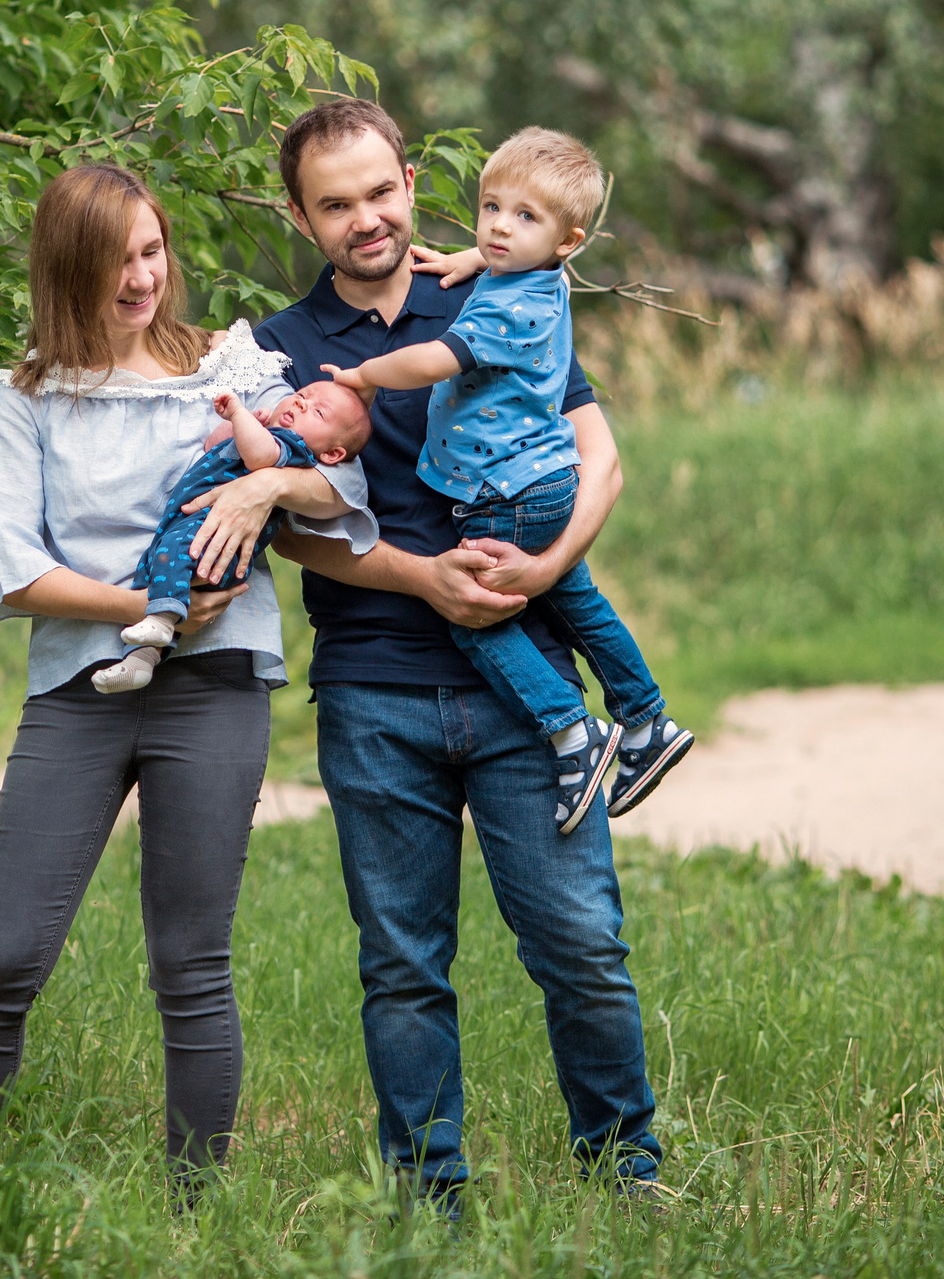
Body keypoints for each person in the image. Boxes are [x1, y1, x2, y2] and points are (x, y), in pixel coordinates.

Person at [254, 97, 670, 1209]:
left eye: (381, 191)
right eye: (334, 204)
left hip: (528, 690)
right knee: (402, 966)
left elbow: (600, 460)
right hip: (376, 690)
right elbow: (288, 528)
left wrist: (542, 573)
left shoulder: (496, 289)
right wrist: (422, 578)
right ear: (301, 216)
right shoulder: (279, 349)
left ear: (407, 180)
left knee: (579, 942)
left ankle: (624, 1170)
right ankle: (429, 1196)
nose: (366, 219)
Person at [0, 162, 376, 1187]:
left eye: (151, 250)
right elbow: (17, 570)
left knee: (190, 962)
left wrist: (266, 482)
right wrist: (145, 608)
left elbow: (339, 477)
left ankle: (195, 1206)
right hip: (77, 691)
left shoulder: (230, 362)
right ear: (65, 270)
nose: (141, 279)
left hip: (214, 684)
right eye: (113, 261)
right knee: (4, 955)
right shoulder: (26, 398)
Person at [320, 127, 690, 831]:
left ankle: (570, 730)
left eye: (524, 218)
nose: (497, 227)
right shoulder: (534, 277)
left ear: (568, 241)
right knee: (577, 600)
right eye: (490, 208)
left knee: (477, 616)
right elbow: (512, 252)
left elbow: (434, 359)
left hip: (503, 492)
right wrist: (474, 255)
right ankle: (647, 717)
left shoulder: (501, 308)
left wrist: (366, 375)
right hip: (548, 478)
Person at [93, 383, 371, 692]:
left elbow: (260, 458)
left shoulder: (293, 449)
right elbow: (214, 444)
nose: (301, 405)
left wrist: (240, 414)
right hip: (187, 528)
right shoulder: (265, 434)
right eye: (301, 396)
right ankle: (139, 662)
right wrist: (243, 423)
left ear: (332, 454)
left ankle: (161, 621)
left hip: (213, 537)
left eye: (318, 412)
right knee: (150, 573)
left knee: (166, 561)